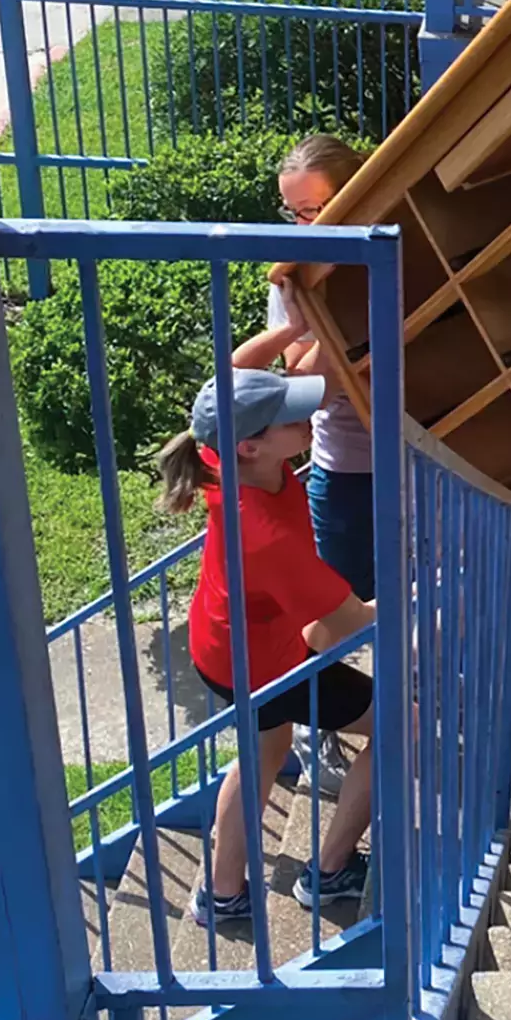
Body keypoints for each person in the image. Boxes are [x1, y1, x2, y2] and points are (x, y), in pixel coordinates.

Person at [157, 368, 376, 926]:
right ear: (251, 444)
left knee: (264, 751)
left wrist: (300, 329)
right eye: (291, 416)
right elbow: (354, 621)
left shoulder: (222, 461)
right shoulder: (267, 538)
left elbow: (223, 395)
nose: (309, 417)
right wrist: (440, 586)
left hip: (224, 644)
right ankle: (329, 874)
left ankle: (223, 892)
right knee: (404, 727)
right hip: (264, 664)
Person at [233, 134, 370, 797]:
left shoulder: (386, 251)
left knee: (385, 599)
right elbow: (303, 385)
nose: (306, 225)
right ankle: (325, 741)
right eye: (296, 212)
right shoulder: (295, 277)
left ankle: (401, 712)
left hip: (415, 459)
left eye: (317, 208)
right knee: (326, 611)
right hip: (344, 465)